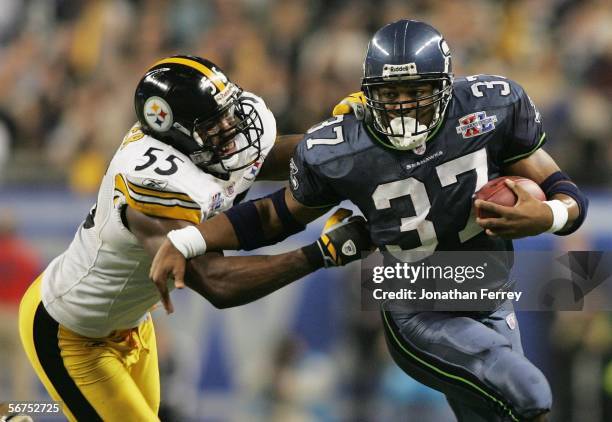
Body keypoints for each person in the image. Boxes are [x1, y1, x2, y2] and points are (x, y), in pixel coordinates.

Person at [150, 21, 589, 422]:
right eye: (390, 94)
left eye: (414, 92)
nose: (401, 107)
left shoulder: (493, 106)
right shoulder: (341, 147)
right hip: (419, 309)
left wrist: (546, 216)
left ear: (443, 85)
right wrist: (190, 240)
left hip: (489, 294)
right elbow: (272, 216)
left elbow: (566, 194)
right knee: (530, 393)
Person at [18, 55, 371, 422]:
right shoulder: (153, 192)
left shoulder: (206, 149)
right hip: (71, 332)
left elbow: (270, 161)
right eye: (216, 125)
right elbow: (218, 283)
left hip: (130, 324)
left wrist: (350, 144)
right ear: (178, 135)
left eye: (230, 113)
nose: (233, 128)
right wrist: (320, 254)